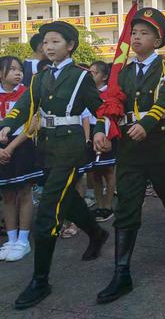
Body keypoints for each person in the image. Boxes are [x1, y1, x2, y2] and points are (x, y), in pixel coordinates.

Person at [0, 21, 108, 310]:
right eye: (45, 42)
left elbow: (99, 108)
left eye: (55, 41)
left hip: (71, 148)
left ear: (70, 45)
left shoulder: (80, 76)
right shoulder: (39, 77)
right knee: (66, 198)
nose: (48, 47)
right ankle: (97, 233)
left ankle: (40, 280)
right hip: (46, 147)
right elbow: (24, 106)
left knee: (48, 211)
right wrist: (7, 125)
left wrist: (98, 130)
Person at [93, 8, 165, 305]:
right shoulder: (123, 72)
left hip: (160, 143)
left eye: (144, 33)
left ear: (158, 39)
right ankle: (121, 273)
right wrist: (102, 129)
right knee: (126, 205)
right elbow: (112, 103)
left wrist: (146, 124)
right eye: (134, 33)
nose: (136, 37)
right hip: (130, 148)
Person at [0, 57, 43, 262]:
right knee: (7, 194)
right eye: (12, 70)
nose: (18, 73)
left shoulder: (27, 94)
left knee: (25, 191)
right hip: (1, 150)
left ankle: (23, 240)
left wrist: (9, 147)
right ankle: (11, 238)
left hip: (21, 145)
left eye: (19, 70)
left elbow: (32, 125)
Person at [87, 61, 116, 222]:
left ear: (104, 76)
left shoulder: (110, 93)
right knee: (95, 172)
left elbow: (112, 118)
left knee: (108, 171)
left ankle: (108, 205)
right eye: (89, 72)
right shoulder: (87, 92)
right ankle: (99, 205)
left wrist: (109, 137)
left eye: (94, 73)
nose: (90, 75)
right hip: (91, 132)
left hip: (107, 133)